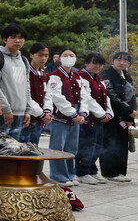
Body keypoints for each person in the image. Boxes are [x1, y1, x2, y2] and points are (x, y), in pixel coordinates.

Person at [46, 47, 97, 187]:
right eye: (65, 55)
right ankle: (58, 176)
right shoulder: (55, 75)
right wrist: (73, 114)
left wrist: (82, 113)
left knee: (72, 147)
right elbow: (57, 97)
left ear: (76, 59)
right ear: (59, 58)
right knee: (58, 147)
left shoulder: (77, 76)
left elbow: (84, 96)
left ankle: (70, 174)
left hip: (76, 114)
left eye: (71, 55)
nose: (68, 58)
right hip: (61, 115)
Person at [0, 23, 31, 139]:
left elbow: (27, 86)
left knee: (14, 151)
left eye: (21, 38)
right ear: (5, 40)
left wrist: (28, 110)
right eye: (13, 37)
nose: (17, 40)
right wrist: (5, 108)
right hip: (1, 113)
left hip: (20, 113)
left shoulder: (24, 61)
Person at [76, 53, 112, 184]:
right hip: (88, 118)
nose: (97, 66)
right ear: (86, 63)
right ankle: (82, 171)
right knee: (86, 145)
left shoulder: (98, 78)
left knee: (97, 145)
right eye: (94, 63)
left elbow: (106, 96)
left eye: (100, 64)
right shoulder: (82, 76)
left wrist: (109, 113)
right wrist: (102, 114)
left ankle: (92, 170)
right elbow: (87, 98)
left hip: (99, 118)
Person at [101, 51, 137, 182]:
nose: (122, 62)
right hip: (111, 115)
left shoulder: (126, 76)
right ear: (113, 60)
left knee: (122, 144)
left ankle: (120, 171)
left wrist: (130, 117)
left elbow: (132, 96)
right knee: (110, 143)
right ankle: (109, 172)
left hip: (125, 116)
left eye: (126, 60)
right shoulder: (105, 75)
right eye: (119, 59)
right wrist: (129, 110)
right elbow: (111, 96)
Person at [18, 42, 53, 146]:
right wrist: (41, 113)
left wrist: (47, 111)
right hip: (26, 118)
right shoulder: (25, 72)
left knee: (34, 149)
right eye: (40, 55)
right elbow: (25, 96)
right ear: (31, 55)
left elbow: (48, 95)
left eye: (46, 55)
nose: (43, 58)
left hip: (39, 120)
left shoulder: (44, 75)